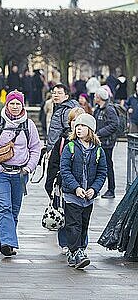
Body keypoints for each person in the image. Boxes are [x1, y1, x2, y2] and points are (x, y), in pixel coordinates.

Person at [0, 91, 41, 257]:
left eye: (18, 104)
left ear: (22, 105)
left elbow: (35, 147)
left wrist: (29, 167)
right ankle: (6, 242)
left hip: (20, 174)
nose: (15, 107)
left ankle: (9, 238)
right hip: (0, 173)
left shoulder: (29, 125)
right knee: (4, 207)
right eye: (12, 103)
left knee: (14, 209)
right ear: (6, 104)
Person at [60, 114, 107, 269]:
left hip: (88, 197)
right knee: (74, 224)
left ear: (90, 130)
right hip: (72, 195)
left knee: (84, 225)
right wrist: (76, 188)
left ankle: (77, 252)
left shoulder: (98, 150)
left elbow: (102, 172)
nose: (79, 129)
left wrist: (94, 189)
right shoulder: (70, 147)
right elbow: (65, 170)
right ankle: (76, 251)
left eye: (83, 126)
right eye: (77, 126)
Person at [44, 107, 85, 252]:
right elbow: (54, 163)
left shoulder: (90, 142)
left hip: (83, 185)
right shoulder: (62, 140)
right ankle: (66, 243)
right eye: (74, 120)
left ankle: (80, 243)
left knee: (81, 217)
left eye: (80, 121)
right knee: (64, 213)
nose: (77, 124)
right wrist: (50, 184)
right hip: (64, 184)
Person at [93, 86, 119, 199]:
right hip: (99, 141)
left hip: (107, 143)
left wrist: (99, 132)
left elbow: (114, 124)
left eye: (95, 96)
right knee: (95, 165)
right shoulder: (98, 109)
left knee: (108, 165)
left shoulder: (109, 109)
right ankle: (95, 189)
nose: (94, 98)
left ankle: (111, 189)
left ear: (100, 98)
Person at [46, 84, 80, 153]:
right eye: (54, 93)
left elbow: (69, 131)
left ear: (66, 96)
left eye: (59, 93)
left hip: (61, 149)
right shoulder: (58, 108)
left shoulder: (67, 110)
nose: (56, 95)